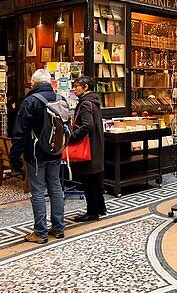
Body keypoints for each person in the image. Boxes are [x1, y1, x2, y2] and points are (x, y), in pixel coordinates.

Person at [9, 68, 66, 244]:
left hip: (35, 153)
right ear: (49, 82)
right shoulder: (60, 99)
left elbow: (20, 132)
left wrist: (15, 156)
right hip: (55, 151)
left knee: (38, 191)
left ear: (33, 84)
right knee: (56, 188)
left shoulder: (31, 101)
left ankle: (40, 232)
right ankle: (58, 228)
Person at [68, 76, 106, 222]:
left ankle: (92, 212)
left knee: (88, 180)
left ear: (85, 87)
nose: (74, 88)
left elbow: (87, 125)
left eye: (77, 85)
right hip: (96, 145)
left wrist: (72, 137)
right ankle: (101, 207)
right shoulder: (94, 101)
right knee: (96, 179)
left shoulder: (85, 103)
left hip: (88, 147)